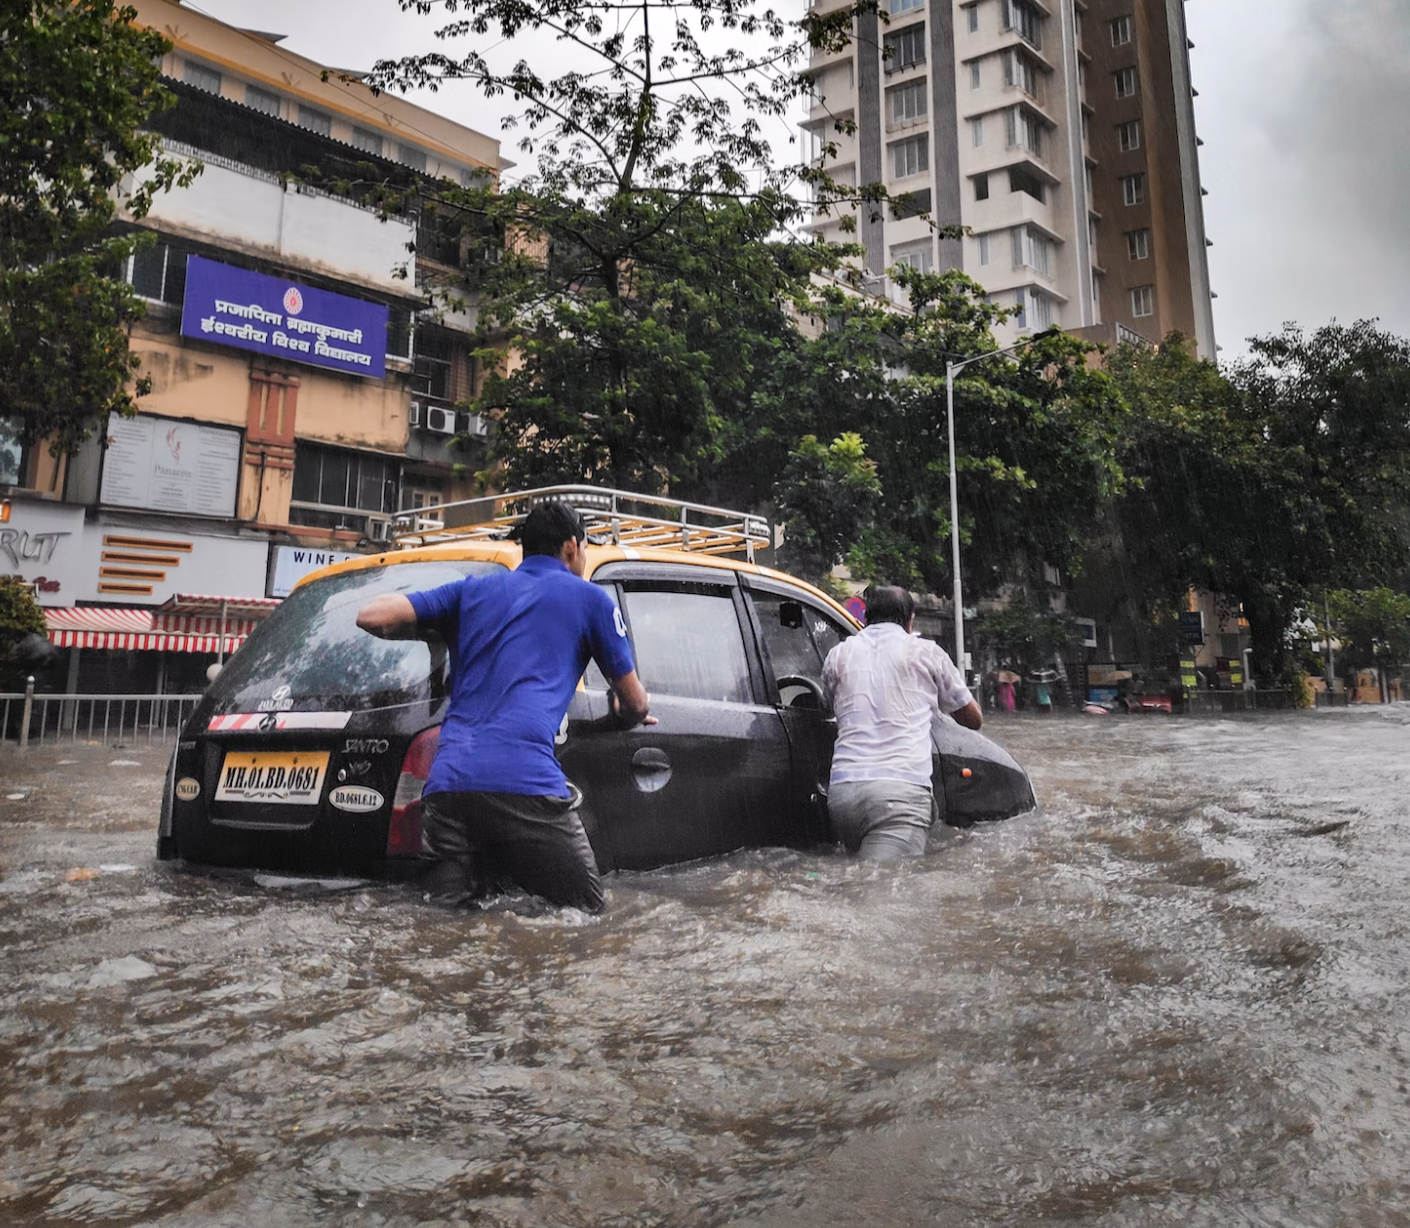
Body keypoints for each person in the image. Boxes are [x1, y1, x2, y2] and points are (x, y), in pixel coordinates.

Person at [355, 502, 652, 912]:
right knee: (586, 916)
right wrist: (625, 712)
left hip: (448, 788)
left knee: (445, 924)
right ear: (572, 547)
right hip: (526, 783)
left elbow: (371, 616)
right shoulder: (591, 600)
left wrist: (433, 631)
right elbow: (636, 702)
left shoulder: (471, 591)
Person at [822, 586, 983, 861]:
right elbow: (972, 718)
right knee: (884, 892)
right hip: (899, 797)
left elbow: (828, 705)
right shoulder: (925, 653)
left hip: (842, 795)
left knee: (857, 884)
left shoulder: (838, 655)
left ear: (866, 618)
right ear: (910, 620)